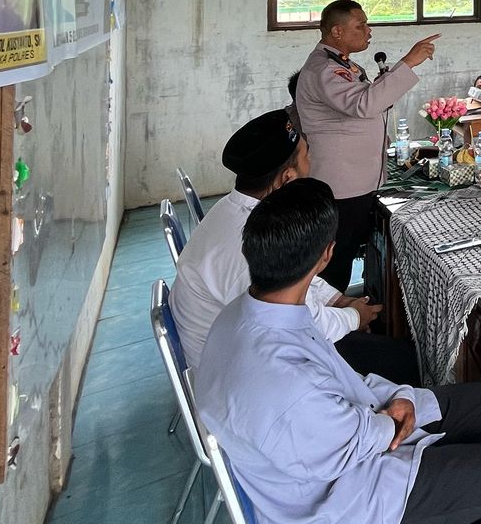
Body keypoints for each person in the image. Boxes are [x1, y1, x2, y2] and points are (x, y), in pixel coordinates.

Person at [195, 178, 481, 524]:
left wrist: (400, 399)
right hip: (345, 509)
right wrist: (392, 422)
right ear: (325, 256)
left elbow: (344, 385)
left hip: (348, 437)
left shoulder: (245, 314)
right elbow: (350, 444)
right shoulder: (283, 383)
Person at [170, 109, 417, 382]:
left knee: (382, 348)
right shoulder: (248, 245)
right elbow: (304, 324)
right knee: (406, 362)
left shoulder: (239, 211)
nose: (312, 163)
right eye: (307, 156)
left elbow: (295, 273)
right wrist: (353, 317)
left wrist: (337, 300)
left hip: (250, 348)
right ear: (287, 178)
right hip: (246, 375)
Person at [293, 0, 439, 289]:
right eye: (360, 25)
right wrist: (408, 62)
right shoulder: (326, 70)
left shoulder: (341, 64)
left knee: (347, 251)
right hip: (341, 185)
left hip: (355, 180)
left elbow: (371, 100)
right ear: (336, 31)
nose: (368, 30)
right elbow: (364, 104)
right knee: (335, 260)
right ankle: (331, 324)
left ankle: (353, 307)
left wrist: (391, 77)